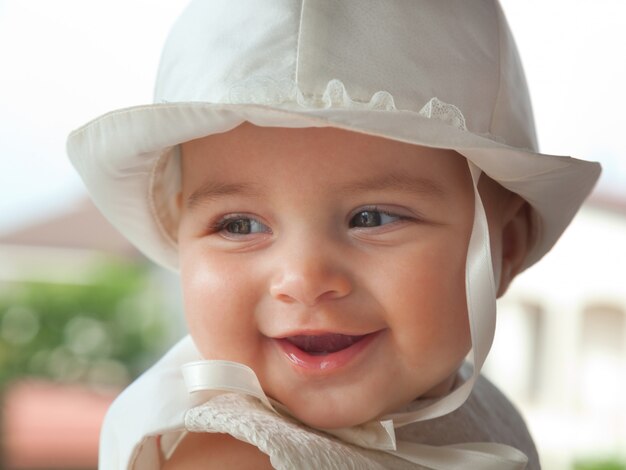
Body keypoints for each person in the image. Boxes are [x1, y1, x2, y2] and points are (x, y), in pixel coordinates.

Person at [67, 1, 600, 468]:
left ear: (503, 247)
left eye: (371, 218)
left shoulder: (487, 417)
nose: (304, 280)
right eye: (240, 225)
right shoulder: (234, 456)